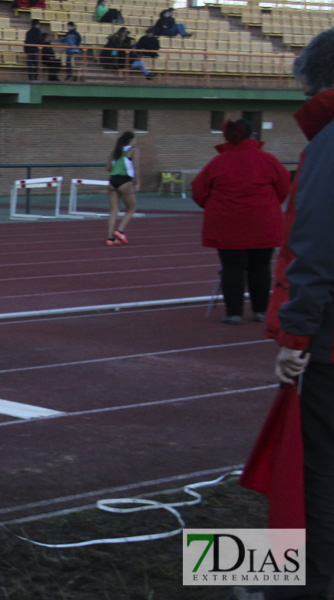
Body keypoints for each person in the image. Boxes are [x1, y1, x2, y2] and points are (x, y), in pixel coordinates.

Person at [266, 27, 334, 600]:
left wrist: (296, 335)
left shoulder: (329, 143)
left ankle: (300, 586)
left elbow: (315, 243)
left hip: (330, 343)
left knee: (313, 472)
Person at [191, 119, 290, 325]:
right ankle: (260, 310)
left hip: (226, 223)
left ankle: (234, 312)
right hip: (263, 222)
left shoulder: (218, 162)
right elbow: (284, 187)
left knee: (231, 267)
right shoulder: (268, 160)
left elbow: (199, 191)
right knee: (261, 267)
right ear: (252, 136)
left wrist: (214, 206)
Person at [105, 131, 138, 245]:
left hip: (112, 181)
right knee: (131, 208)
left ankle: (110, 238)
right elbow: (136, 167)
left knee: (114, 210)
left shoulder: (115, 151)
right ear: (131, 140)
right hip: (124, 181)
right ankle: (120, 231)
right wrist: (138, 183)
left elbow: (108, 167)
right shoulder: (133, 150)